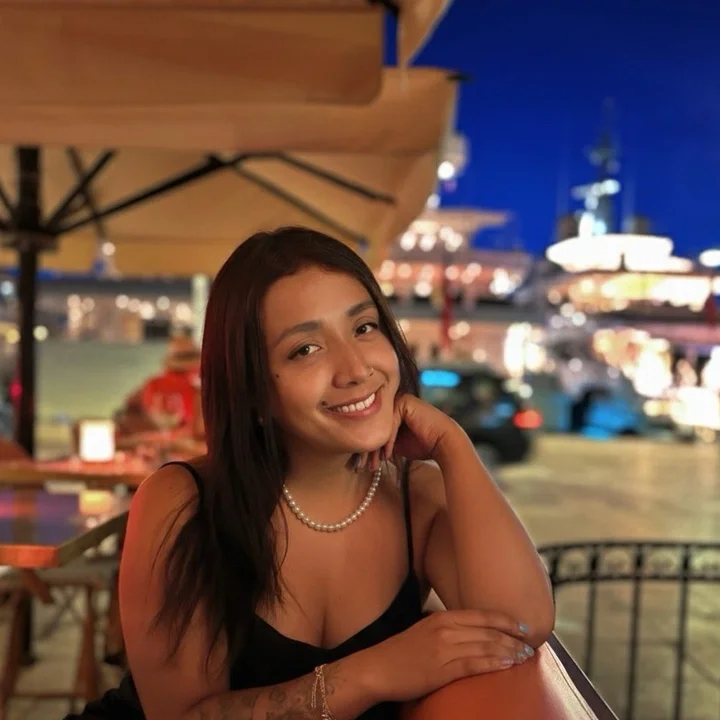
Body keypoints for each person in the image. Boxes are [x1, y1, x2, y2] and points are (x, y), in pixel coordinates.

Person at [68, 227, 554, 720]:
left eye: (364, 327)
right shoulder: (184, 502)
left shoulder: (418, 498)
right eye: (305, 349)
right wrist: (373, 673)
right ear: (253, 391)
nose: (356, 369)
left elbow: (519, 625)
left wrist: (454, 447)